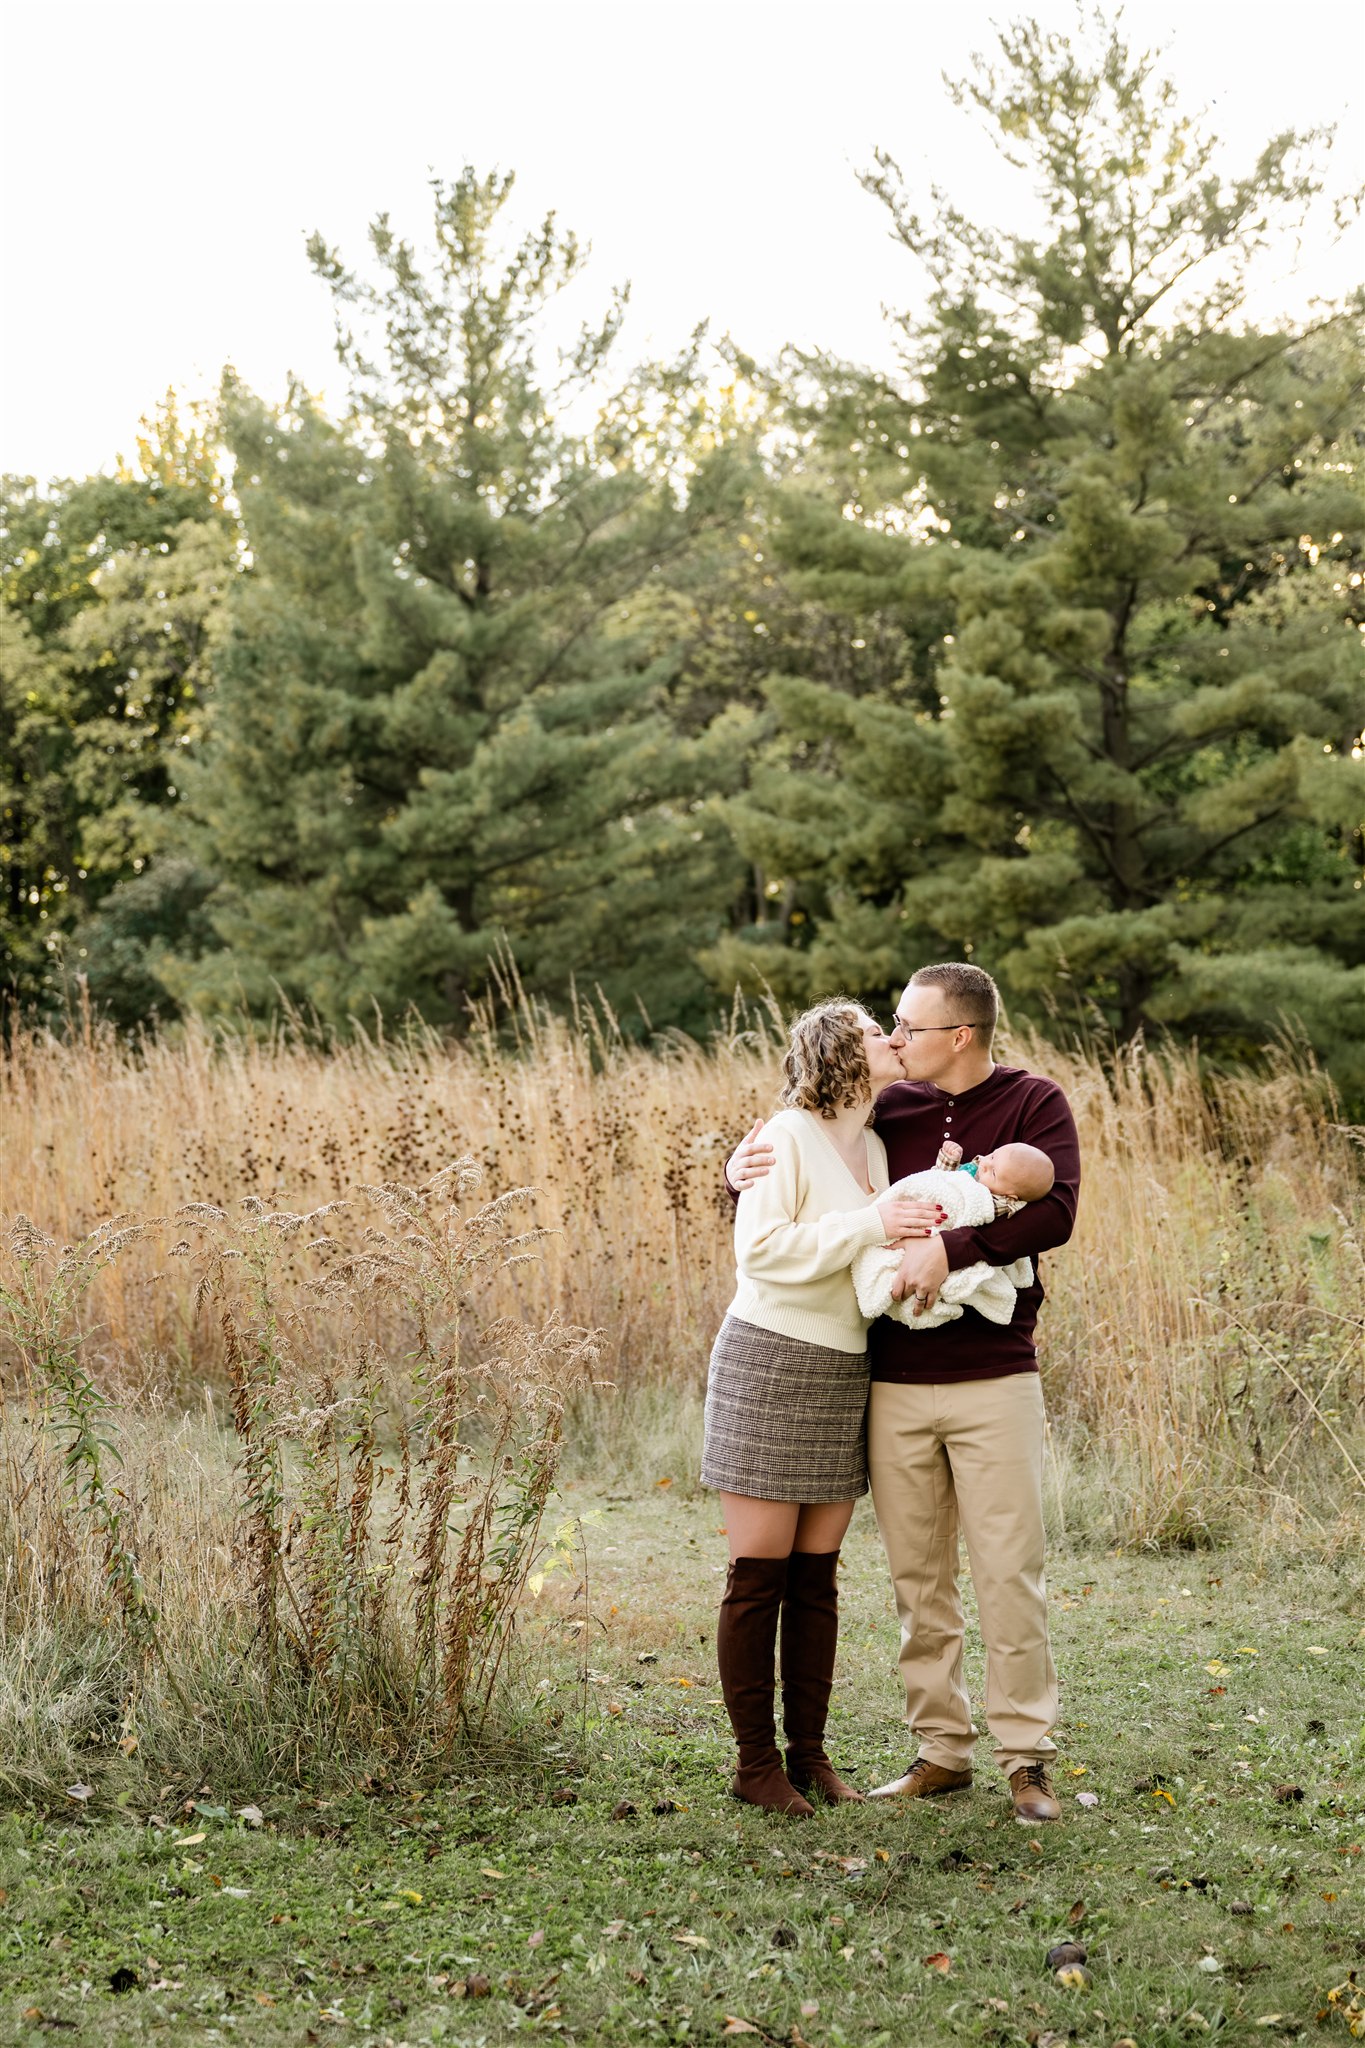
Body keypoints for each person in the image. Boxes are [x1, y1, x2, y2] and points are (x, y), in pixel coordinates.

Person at [727, 963, 1080, 1824]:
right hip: (886, 1378)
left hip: (993, 1373)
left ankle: (1025, 1758)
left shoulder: (1033, 1103)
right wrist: (733, 1172)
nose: (894, 1037)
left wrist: (951, 1253)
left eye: (907, 1026)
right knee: (917, 1580)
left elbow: (1055, 1211)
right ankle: (940, 1751)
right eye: (888, 1026)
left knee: (1007, 1569)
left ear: (958, 1034)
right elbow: (804, 1167)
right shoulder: (888, 1111)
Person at [703, 998, 937, 1817]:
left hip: (844, 1367)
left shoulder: (873, 1142)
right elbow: (761, 1253)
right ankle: (753, 1765)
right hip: (770, 1358)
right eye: (879, 1031)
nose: (894, 1039)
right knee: (759, 1574)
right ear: (842, 1048)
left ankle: (809, 1756)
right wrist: (869, 1221)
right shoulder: (786, 1136)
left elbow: (864, 1255)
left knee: (816, 1579)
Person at [852, 1141, 1054, 1329]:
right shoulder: (973, 1171)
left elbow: (971, 1213)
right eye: (992, 1157)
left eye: (993, 1173)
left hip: (942, 1242)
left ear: (1010, 1196)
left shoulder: (999, 1203)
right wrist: (949, 1160)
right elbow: (941, 1182)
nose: (985, 1165)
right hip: (918, 1220)